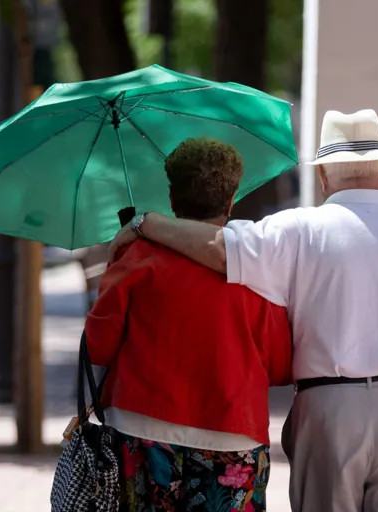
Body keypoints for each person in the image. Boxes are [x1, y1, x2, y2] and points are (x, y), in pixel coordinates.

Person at [110, 110, 378, 512]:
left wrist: (145, 225)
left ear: (322, 177)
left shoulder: (297, 229)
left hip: (330, 411)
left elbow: (218, 247)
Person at [86, 137, 293, 512]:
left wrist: (115, 262)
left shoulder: (136, 259)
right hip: (232, 432)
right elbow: (279, 365)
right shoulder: (256, 270)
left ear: (171, 197)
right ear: (231, 200)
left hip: (141, 428)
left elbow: (99, 346)